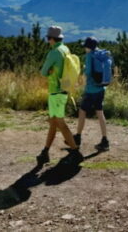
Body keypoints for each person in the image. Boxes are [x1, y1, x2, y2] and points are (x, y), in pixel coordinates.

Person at [36, 25, 79, 165]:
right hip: (64, 89)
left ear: (52, 39)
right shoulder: (65, 49)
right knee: (53, 122)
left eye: (48, 38)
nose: (48, 41)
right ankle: (45, 152)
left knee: (59, 122)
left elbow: (43, 71)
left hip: (55, 92)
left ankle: (75, 152)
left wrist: (49, 72)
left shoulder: (54, 53)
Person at [74, 36, 109, 151]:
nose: (85, 48)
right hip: (101, 89)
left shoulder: (89, 56)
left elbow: (88, 72)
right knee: (100, 112)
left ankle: (77, 138)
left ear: (88, 47)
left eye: (85, 46)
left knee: (82, 111)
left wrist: (84, 70)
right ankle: (105, 140)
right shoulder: (100, 53)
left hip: (90, 90)